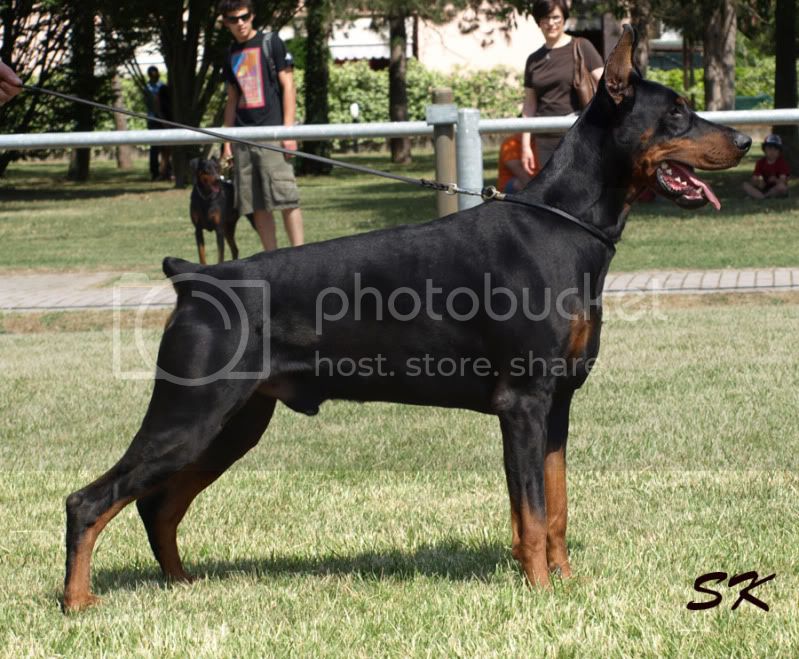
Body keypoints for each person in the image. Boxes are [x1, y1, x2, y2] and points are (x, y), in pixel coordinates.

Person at [220, 0, 304, 251]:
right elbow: (232, 99)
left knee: (286, 198)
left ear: (252, 16)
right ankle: (272, 259)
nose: (240, 23)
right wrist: (226, 142)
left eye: (244, 17)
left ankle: (300, 256)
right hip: (244, 138)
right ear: (226, 23)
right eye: (233, 19)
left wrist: (288, 131)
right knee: (255, 204)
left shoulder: (271, 42)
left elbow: (289, 85)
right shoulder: (230, 53)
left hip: (273, 133)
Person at [521, 0, 603, 175]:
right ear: (538, 22)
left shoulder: (582, 46)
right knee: (550, 197)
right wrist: (525, 145)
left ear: (564, 18)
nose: (551, 23)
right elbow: (529, 105)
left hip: (576, 135)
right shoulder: (533, 60)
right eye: (545, 18)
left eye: (556, 17)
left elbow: (607, 85)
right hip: (544, 138)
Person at [743, 133, 790, 199]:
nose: (772, 151)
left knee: (782, 187)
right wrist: (758, 181)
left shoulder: (782, 163)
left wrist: (775, 180)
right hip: (763, 187)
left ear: (779, 151)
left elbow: (783, 180)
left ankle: (763, 196)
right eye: (769, 148)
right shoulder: (760, 162)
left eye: (775, 149)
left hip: (776, 187)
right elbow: (754, 178)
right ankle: (763, 196)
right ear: (764, 149)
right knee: (745, 185)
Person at [144, 66, 171, 181]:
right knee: (155, 148)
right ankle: (155, 172)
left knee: (167, 147)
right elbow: (153, 105)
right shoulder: (147, 88)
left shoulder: (162, 86)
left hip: (163, 118)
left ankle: (166, 171)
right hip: (153, 119)